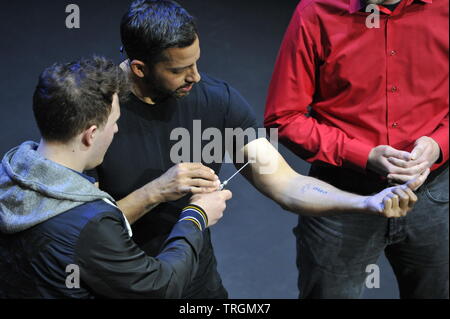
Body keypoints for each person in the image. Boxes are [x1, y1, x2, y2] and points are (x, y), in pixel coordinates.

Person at [91, 0, 428, 299]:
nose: (194, 77)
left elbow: (285, 184)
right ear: (139, 68)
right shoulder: (94, 112)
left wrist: (364, 202)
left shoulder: (216, 101)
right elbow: (79, 231)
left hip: (194, 284)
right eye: (179, 70)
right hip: (116, 283)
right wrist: (156, 192)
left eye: (196, 63)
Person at [0, 56, 232, 298]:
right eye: (114, 122)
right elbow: (161, 287)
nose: (117, 129)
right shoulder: (88, 224)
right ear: (90, 134)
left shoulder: (9, 174)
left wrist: (155, 191)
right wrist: (196, 216)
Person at [264, 0, 448, 298]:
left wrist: (439, 144)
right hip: (342, 194)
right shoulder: (316, 10)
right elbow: (284, 119)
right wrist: (363, 156)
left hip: (435, 195)